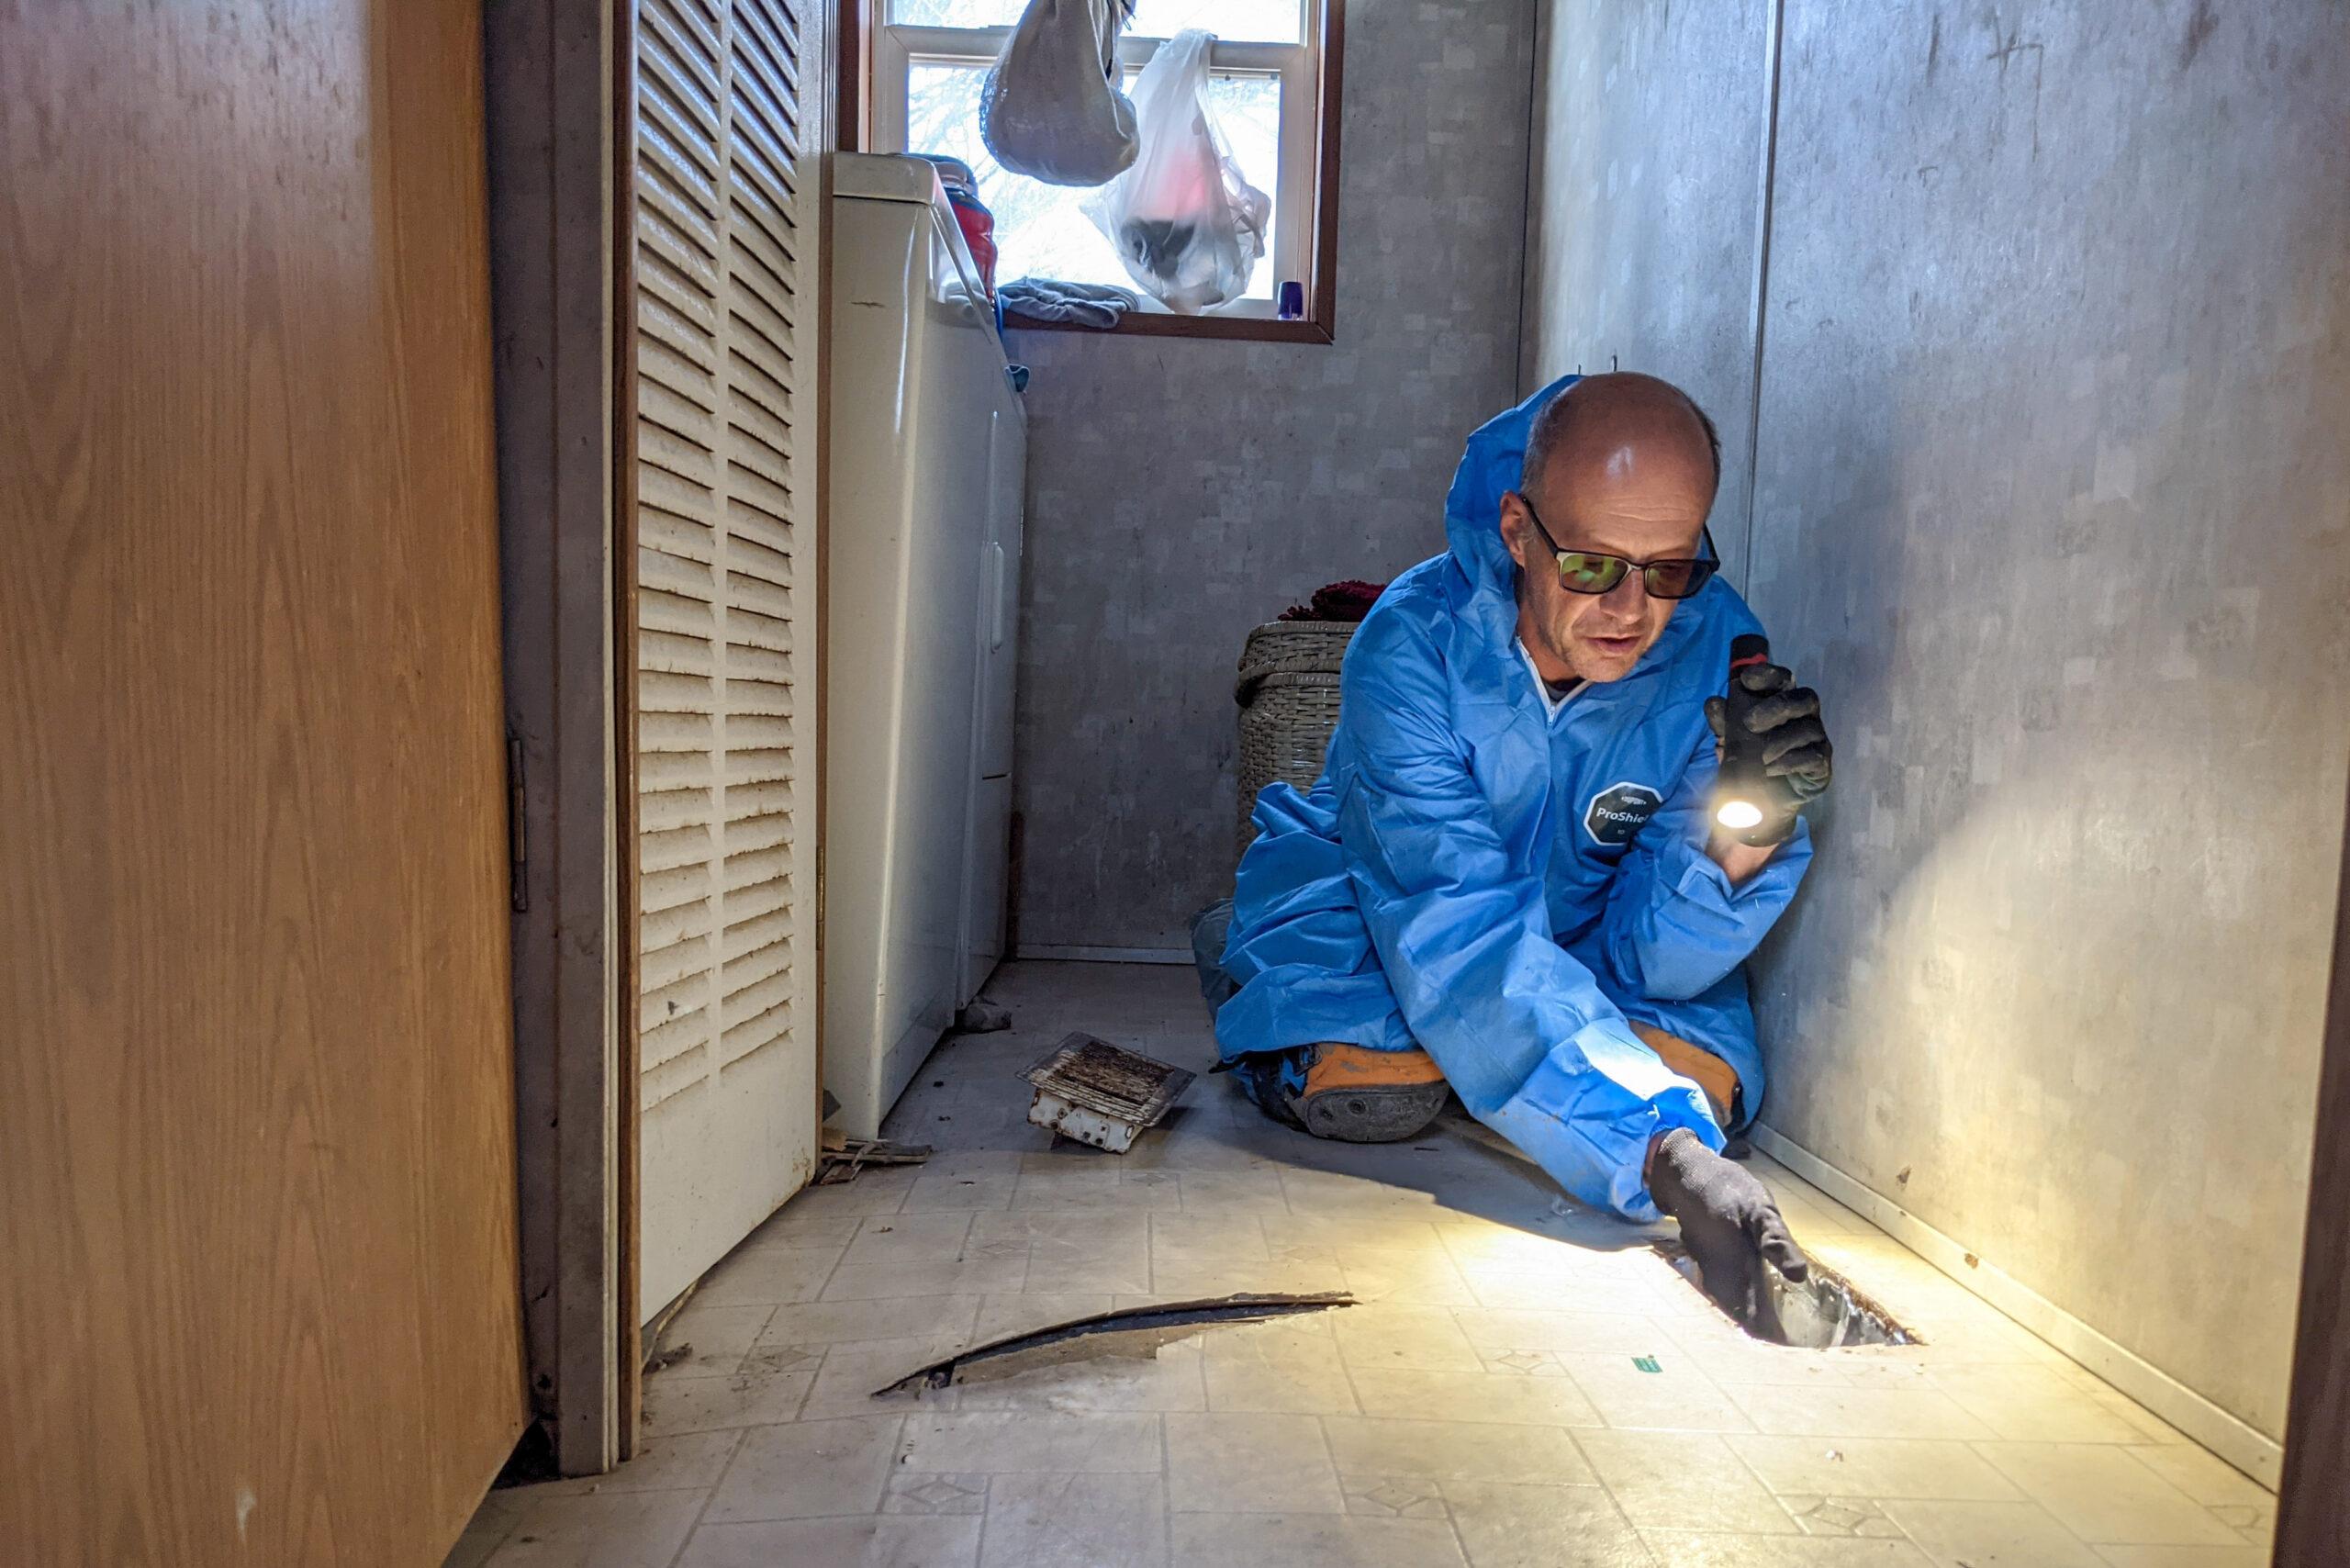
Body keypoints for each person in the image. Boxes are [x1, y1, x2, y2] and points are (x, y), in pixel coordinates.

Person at [1212, 372, 1834, 1321]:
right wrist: (1660, 1150)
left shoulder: (1719, 650)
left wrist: (1748, 828)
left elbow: (1661, 962)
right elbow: (1454, 934)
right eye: (1592, 566)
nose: (1632, 608)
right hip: (1396, 911)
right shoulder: (1409, 647)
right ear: (1516, 531)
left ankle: (1522, 1066)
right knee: (1370, 1084)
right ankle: (1265, 962)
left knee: (1707, 1081)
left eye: (1668, 568)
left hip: (1592, 943)